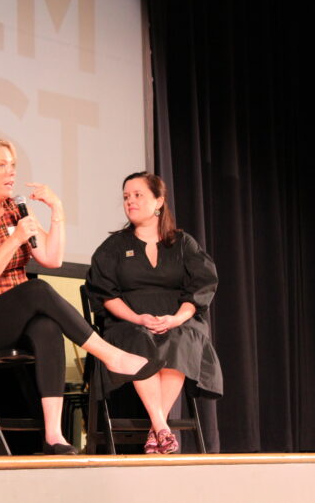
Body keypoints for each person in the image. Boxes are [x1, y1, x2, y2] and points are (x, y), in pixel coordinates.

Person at [0, 136, 163, 455]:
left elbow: (51, 258)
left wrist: (57, 211)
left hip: (17, 315)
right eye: (2, 165)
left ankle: (53, 435)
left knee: (46, 326)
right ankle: (111, 356)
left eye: (13, 165)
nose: (11, 172)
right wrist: (14, 239)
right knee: (38, 289)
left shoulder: (13, 210)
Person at [85, 171, 223, 454]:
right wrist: (137, 318)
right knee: (137, 338)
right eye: (126, 197)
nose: (130, 202)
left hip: (175, 319)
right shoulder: (114, 247)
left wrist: (176, 318)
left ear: (159, 202)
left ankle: (155, 431)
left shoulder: (183, 243)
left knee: (183, 337)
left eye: (138, 195)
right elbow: (104, 295)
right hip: (128, 322)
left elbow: (200, 288)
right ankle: (161, 426)